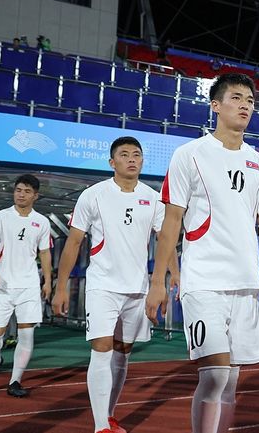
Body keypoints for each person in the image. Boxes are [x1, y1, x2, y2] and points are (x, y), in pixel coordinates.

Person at [145, 73, 259, 433]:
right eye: (236, 98)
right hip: (204, 282)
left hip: (245, 284)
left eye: (250, 99)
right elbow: (171, 223)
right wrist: (158, 281)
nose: (245, 104)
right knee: (214, 375)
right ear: (215, 105)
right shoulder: (190, 154)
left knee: (230, 384)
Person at [52, 136, 179, 433]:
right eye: (125, 155)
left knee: (123, 351)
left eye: (137, 154)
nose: (132, 159)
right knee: (102, 347)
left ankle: (108, 415)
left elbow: (166, 242)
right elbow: (73, 243)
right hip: (102, 286)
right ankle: (100, 427)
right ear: (112, 162)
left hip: (137, 288)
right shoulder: (93, 195)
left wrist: (176, 275)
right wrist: (60, 287)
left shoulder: (153, 197)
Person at [0, 174, 52, 398]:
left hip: (29, 286)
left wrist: (48, 280)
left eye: (26, 191)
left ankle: (15, 381)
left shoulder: (42, 222)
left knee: (27, 335)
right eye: (18, 190)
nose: (21, 194)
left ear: (35, 195)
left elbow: (44, 252)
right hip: (2, 285)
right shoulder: (0, 217)